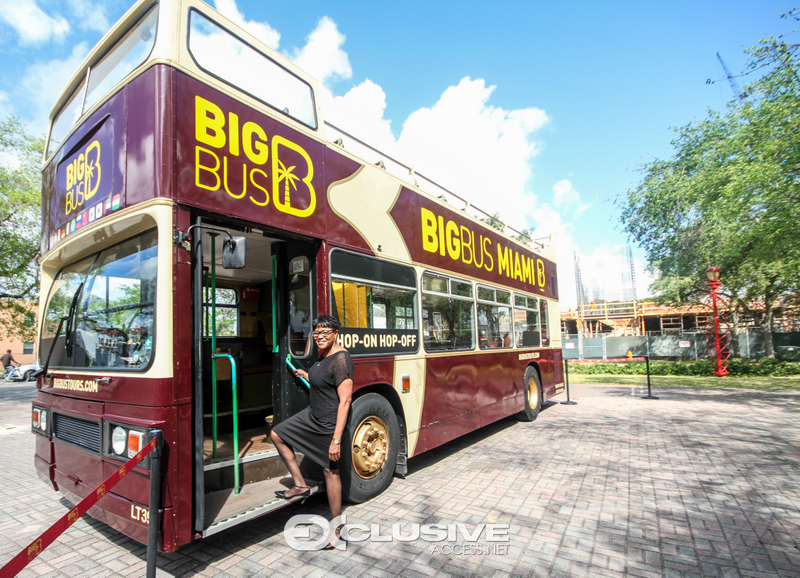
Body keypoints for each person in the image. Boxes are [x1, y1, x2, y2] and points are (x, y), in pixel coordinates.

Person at [270, 314, 353, 548]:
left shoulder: (342, 359)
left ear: (336, 333)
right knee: (277, 434)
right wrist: (307, 374)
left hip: (328, 423)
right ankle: (300, 485)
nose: (320, 337)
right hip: (312, 415)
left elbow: (345, 402)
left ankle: (338, 529)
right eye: (316, 333)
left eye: (325, 333)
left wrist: (336, 439)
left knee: (331, 472)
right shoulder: (323, 355)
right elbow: (323, 379)